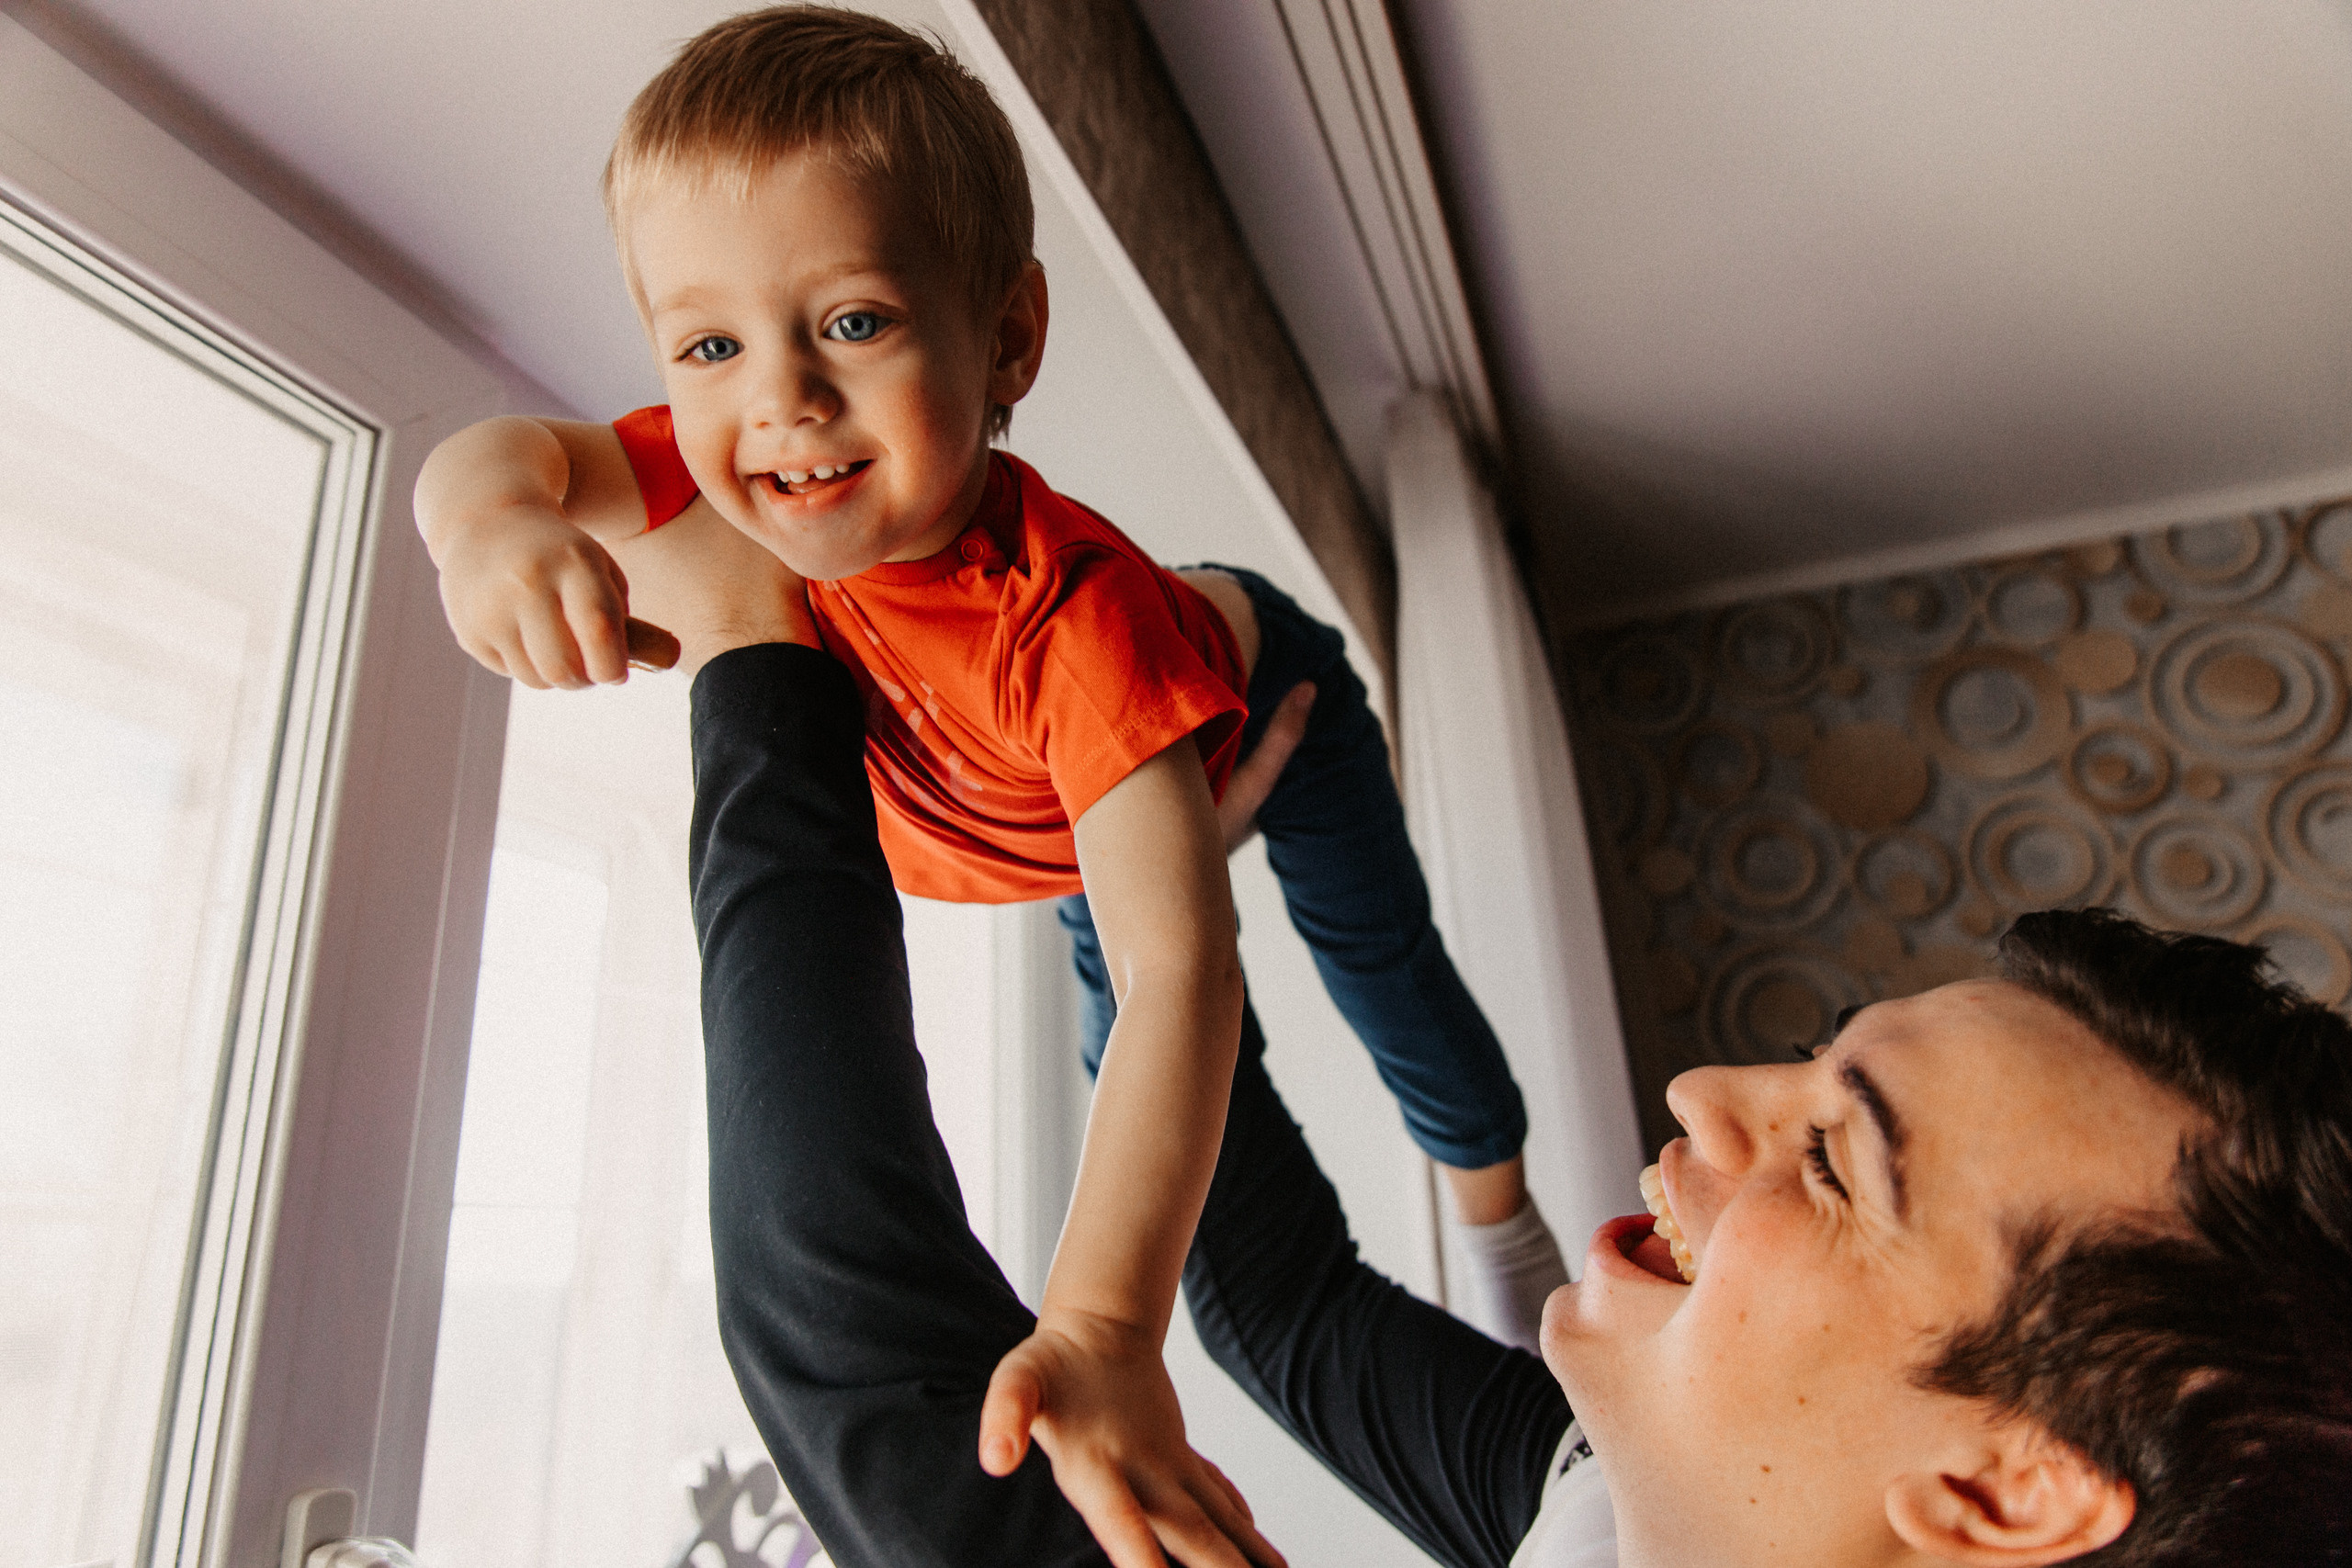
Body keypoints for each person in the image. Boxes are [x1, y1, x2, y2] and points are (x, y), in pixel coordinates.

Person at [414, 10, 1562, 1562]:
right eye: (708, 345)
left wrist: (1101, 1320)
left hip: (1242, 689)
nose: (782, 402)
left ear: (1009, 335)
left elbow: (1184, 972)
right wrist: (482, 534)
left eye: (854, 323)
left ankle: (1503, 1218)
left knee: (1381, 970)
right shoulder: (726, 475)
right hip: (1070, 817)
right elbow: (494, 456)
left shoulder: (1065, 621)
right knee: (1125, 904)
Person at [658, 545, 2352, 1566]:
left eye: (1841, 1160)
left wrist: (757, 647)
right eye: (1816, 1064)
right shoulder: (1592, 1505)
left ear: (1999, 1489)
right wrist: (1131, 877)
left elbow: (866, 1351)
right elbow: (1289, 1307)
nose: (1701, 1091)